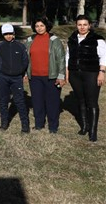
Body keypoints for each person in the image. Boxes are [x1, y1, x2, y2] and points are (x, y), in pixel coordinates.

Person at [66, 14, 106, 142]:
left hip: (91, 73)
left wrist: (102, 72)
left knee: (92, 102)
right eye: (79, 24)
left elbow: (104, 57)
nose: (82, 27)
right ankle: (84, 126)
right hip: (75, 74)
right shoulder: (72, 39)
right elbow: (68, 57)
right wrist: (67, 73)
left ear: (89, 25)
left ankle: (93, 132)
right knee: (81, 101)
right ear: (76, 25)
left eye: (85, 24)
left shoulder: (98, 39)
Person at [25, 17, 66, 133]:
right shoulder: (30, 40)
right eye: (37, 26)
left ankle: (53, 127)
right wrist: (24, 73)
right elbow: (25, 58)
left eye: (42, 26)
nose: (39, 28)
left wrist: (61, 76)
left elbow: (61, 59)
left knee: (52, 102)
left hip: (51, 76)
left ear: (46, 26)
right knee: (37, 101)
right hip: (34, 77)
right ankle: (39, 124)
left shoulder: (54, 40)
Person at [0, 23, 30, 133]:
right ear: (3, 35)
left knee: (20, 101)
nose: (8, 36)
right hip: (3, 77)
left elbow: (25, 61)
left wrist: (21, 72)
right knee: (3, 101)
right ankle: (4, 123)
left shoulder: (20, 46)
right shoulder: (0, 46)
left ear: (14, 34)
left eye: (10, 34)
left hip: (17, 78)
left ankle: (25, 125)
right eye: (6, 34)